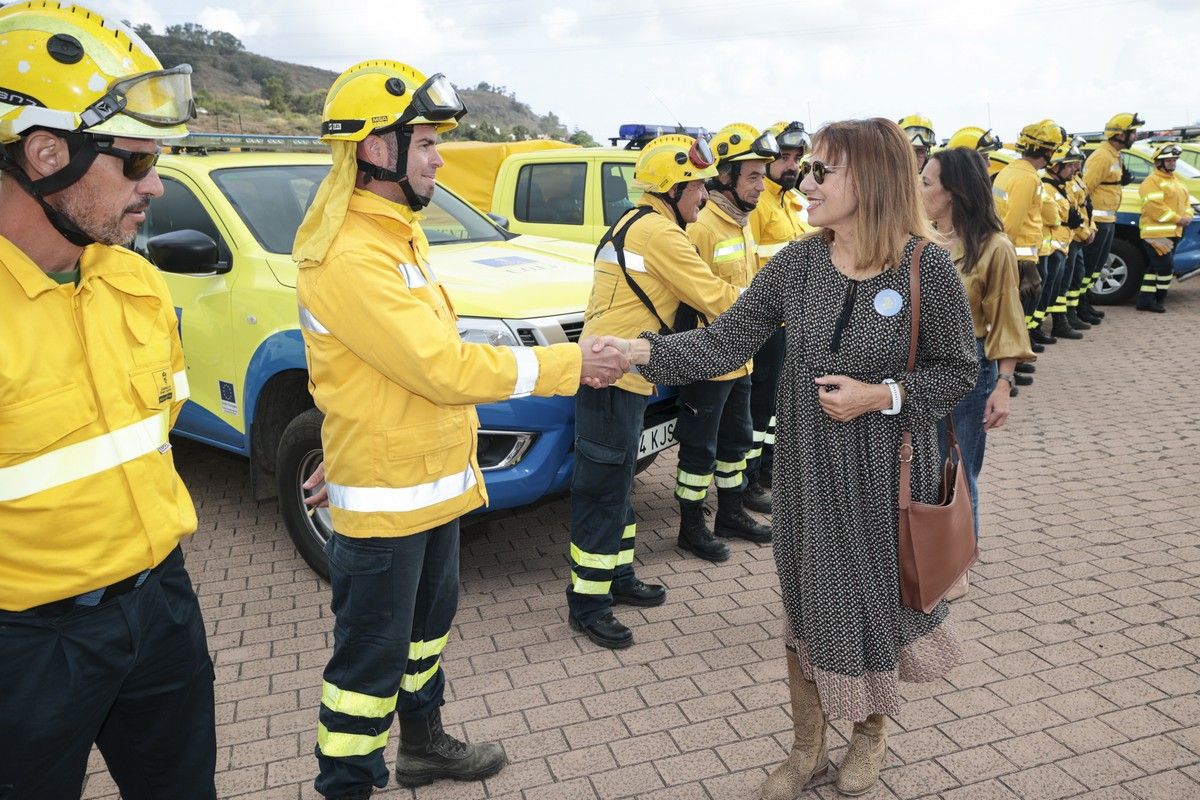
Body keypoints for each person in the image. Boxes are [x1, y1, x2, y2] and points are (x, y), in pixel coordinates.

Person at [598, 118, 978, 800]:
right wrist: (639, 351)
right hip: (806, 474)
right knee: (807, 606)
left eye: (821, 171)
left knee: (875, 609)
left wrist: (880, 394)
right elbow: (724, 342)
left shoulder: (928, 269)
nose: (804, 183)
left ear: (869, 179)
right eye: (807, 171)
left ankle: (869, 735)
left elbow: (958, 372)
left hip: (884, 476)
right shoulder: (799, 265)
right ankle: (806, 748)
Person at [292, 60, 627, 799]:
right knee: (366, 667)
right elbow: (439, 367)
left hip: (431, 486)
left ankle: (424, 749)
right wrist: (573, 365)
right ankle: (346, 783)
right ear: (377, 150)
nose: (441, 157)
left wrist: (341, 440)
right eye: (426, 143)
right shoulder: (353, 252)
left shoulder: (396, 233)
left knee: (423, 639)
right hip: (387, 502)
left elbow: (368, 370)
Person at [0, 4, 216, 799]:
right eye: (134, 163)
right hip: (27, 647)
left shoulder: (133, 280)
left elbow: (157, 432)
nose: (156, 184)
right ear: (46, 153)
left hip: (162, 604)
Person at [567, 132, 742, 649]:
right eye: (699, 187)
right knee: (602, 490)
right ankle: (588, 602)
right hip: (611, 377)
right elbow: (715, 298)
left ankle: (617, 578)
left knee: (618, 482)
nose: (706, 197)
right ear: (674, 188)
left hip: (623, 374)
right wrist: (775, 302)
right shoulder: (662, 236)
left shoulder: (637, 222)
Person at [921, 148, 1035, 598]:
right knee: (922, 466)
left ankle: (958, 563)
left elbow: (1008, 319)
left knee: (960, 467)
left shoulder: (994, 247)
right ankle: (923, 552)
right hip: (919, 369)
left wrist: (1003, 385)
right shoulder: (919, 238)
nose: (920, 189)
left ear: (954, 192)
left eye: (928, 182)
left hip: (969, 367)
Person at [672, 122, 777, 554]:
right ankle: (691, 528)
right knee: (699, 450)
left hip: (743, 357)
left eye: (762, 175)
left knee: (736, 443)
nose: (761, 185)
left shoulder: (741, 222)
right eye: (752, 176)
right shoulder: (703, 227)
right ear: (725, 177)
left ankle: (730, 514)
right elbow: (691, 299)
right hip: (709, 360)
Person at [746, 120, 814, 511]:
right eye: (783, 158)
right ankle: (750, 478)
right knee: (759, 406)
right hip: (767, 323)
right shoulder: (759, 204)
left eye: (796, 159)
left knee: (774, 406)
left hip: (792, 321)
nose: (791, 166)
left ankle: (770, 468)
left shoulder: (792, 202)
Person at [994, 119, 1063, 350]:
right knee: (1019, 312)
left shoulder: (1010, 171)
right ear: (1046, 150)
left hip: (1015, 252)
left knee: (1015, 312)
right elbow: (1013, 221)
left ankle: (1018, 355)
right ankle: (1015, 360)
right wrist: (1013, 259)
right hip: (1022, 256)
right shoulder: (1028, 178)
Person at [1082, 112, 1144, 320]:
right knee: (1090, 265)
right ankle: (1080, 307)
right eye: (1132, 132)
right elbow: (1085, 188)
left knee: (1097, 266)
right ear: (1119, 135)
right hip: (1098, 221)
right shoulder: (1102, 156)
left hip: (1108, 219)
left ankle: (1086, 305)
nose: (1135, 136)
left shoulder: (1115, 155)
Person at [1136, 143, 1193, 312]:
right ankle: (1159, 300)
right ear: (1159, 162)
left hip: (1173, 232)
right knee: (1165, 268)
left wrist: (1188, 215)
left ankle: (1145, 301)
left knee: (1154, 268)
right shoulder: (1152, 182)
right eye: (1169, 160)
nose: (1173, 163)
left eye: (1174, 160)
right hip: (1156, 234)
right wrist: (1178, 219)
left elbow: (1186, 203)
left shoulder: (1176, 182)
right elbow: (1155, 208)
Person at [1040, 137, 1085, 341]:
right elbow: (1052, 216)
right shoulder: (1047, 187)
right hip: (1053, 245)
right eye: (1068, 166)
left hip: (1063, 243)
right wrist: (1068, 219)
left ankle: (1044, 327)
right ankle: (1038, 328)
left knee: (1058, 288)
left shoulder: (1061, 185)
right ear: (1056, 167)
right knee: (1048, 290)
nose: (1073, 170)